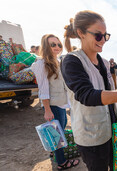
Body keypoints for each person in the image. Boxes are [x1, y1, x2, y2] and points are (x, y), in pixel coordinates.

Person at [61, 10, 117, 171]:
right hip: (91, 137)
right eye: (98, 35)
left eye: (105, 36)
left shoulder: (103, 62)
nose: (103, 40)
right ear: (81, 33)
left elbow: (108, 90)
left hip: (111, 131)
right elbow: (87, 95)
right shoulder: (72, 61)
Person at [31, 34, 80, 170]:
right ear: (46, 46)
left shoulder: (57, 60)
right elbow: (43, 90)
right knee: (58, 135)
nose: (57, 47)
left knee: (59, 131)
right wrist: (47, 110)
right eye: (53, 44)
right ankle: (62, 162)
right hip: (52, 105)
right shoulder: (41, 64)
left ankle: (55, 153)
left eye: (59, 44)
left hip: (60, 103)